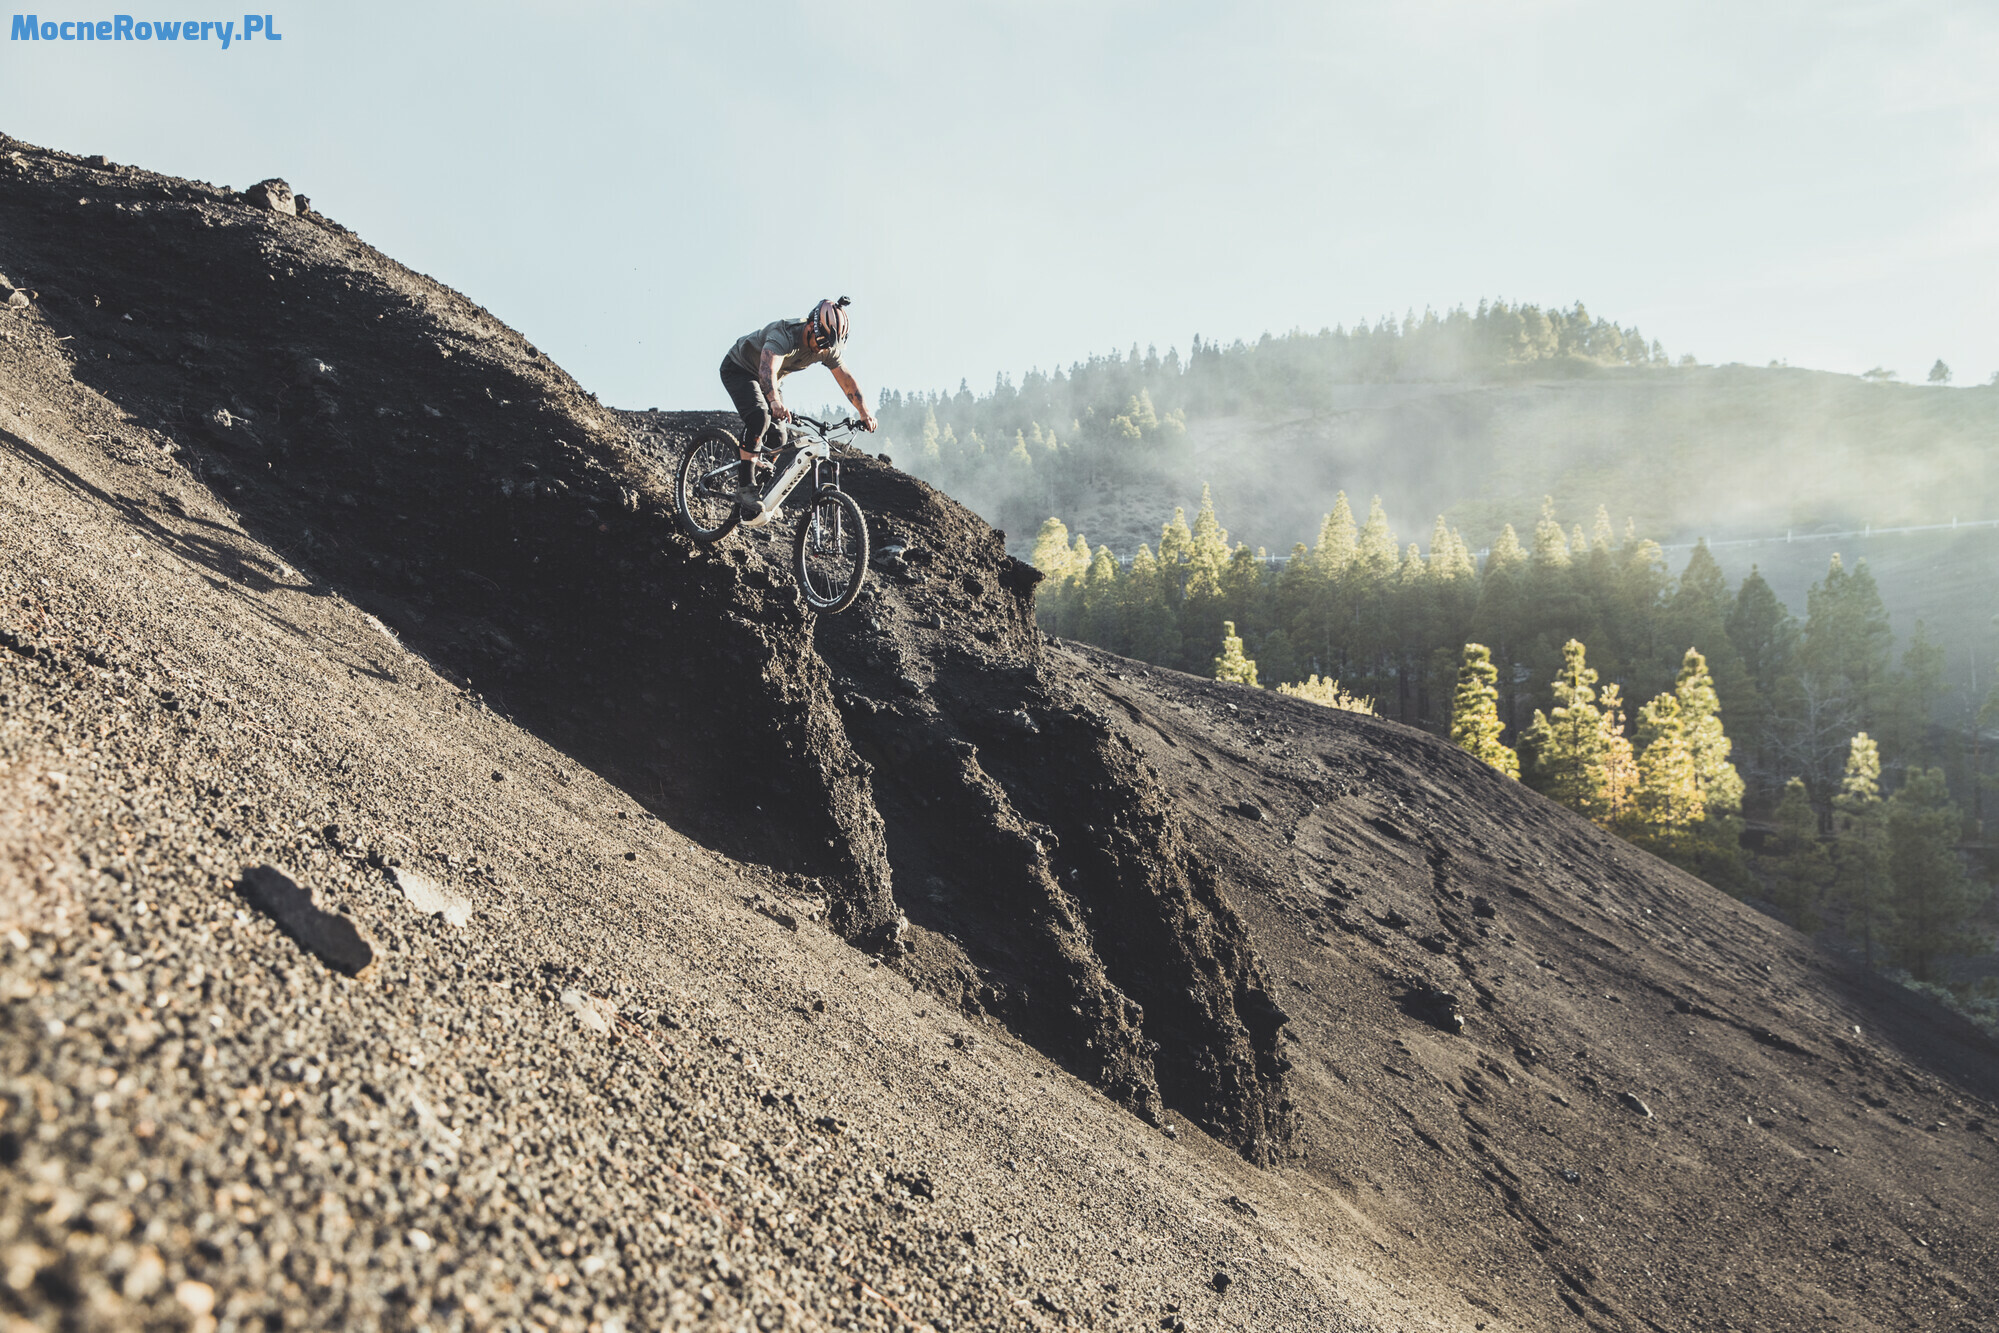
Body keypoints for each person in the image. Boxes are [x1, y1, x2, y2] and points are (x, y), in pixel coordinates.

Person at [719, 296, 878, 512]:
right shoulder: (784, 335)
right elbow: (766, 369)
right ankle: (746, 487)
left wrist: (864, 412)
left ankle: (755, 479)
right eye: (821, 342)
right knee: (760, 416)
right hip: (740, 368)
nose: (822, 349)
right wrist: (774, 401)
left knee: (779, 437)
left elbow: (847, 380)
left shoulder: (826, 347)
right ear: (811, 326)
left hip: (771, 380)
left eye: (828, 345)